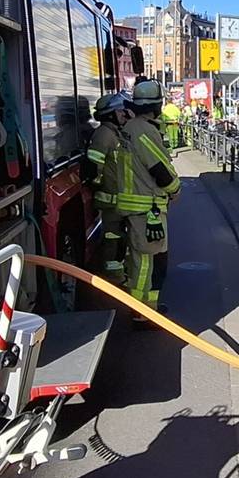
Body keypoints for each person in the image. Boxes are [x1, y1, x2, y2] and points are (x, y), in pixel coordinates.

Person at [118, 79, 181, 315]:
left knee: (144, 260)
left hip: (139, 206)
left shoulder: (132, 128)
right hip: (147, 208)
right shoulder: (144, 131)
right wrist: (175, 190)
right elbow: (159, 168)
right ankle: (144, 311)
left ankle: (148, 307)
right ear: (157, 105)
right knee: (146, 263)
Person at [84, 92, 130, 283]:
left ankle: (118, 273)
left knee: (120, 240)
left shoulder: (114, 133)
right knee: (113, 240)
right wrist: (98, 187)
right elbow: (94, 168)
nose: (124, 115)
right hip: (111, 201)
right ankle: (114, 278)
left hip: (119, 200)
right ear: (110, 114)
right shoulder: (104, 135)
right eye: (120, 112)